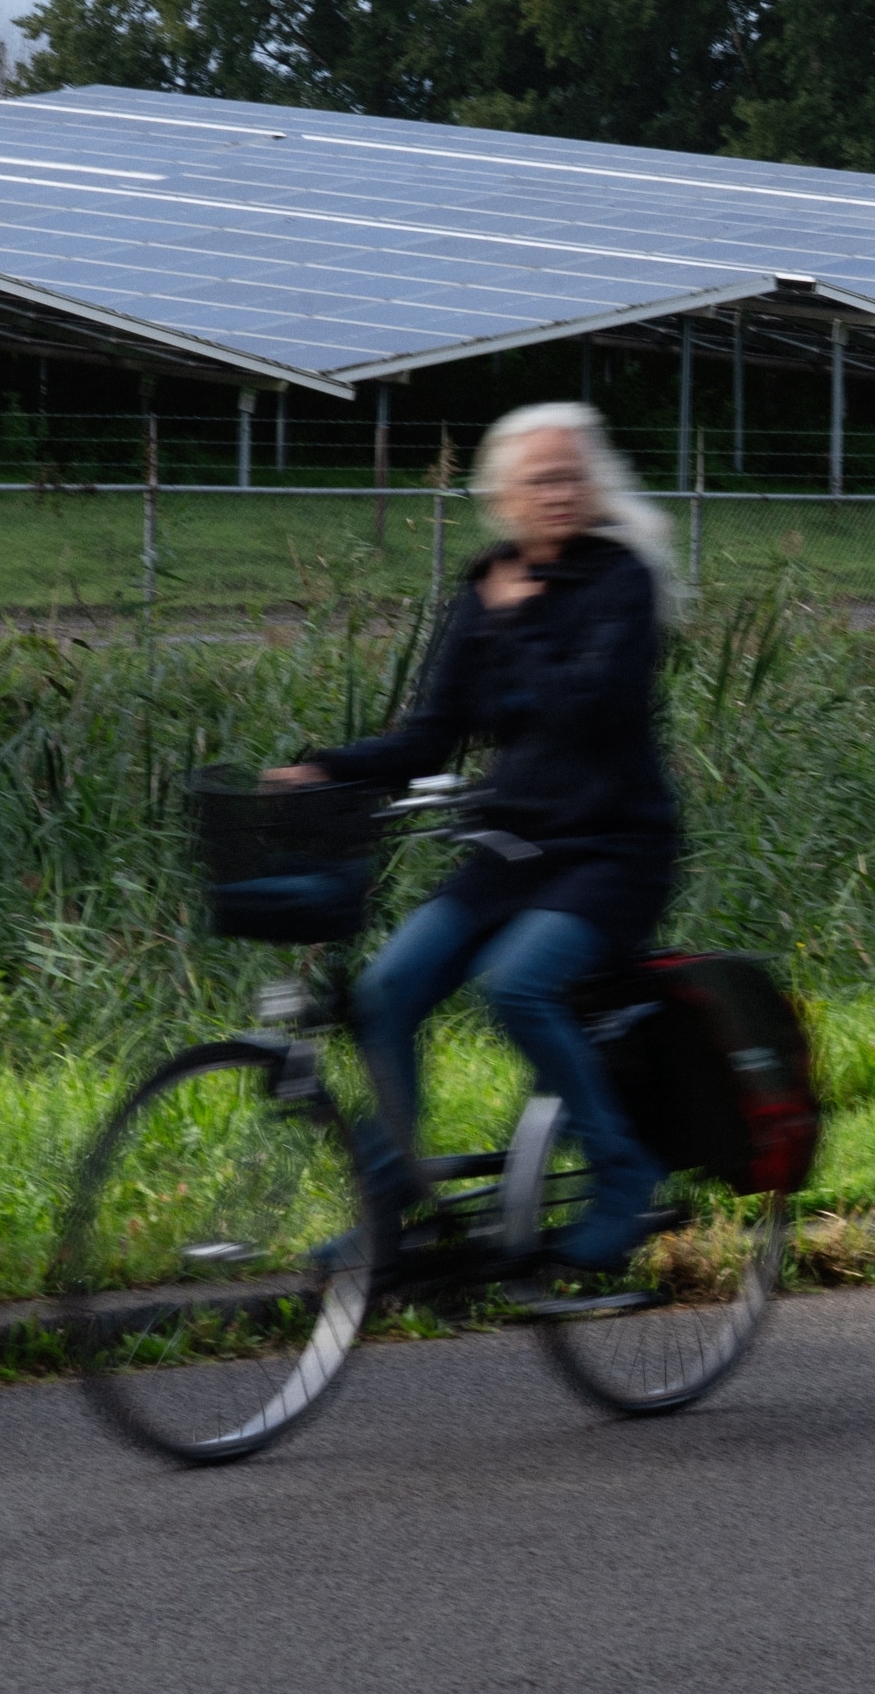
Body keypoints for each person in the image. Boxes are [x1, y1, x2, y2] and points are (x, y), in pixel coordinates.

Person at [268, 402, 685, 1273]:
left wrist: (516, 619)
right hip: (509, 855)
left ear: (594, 484)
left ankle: (625, 1174)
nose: (559, 493)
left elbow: (585, 709)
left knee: (519, 988)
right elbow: (432, 733)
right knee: (384, 993)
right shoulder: (486, 584)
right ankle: (393, 1212)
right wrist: (328, 769)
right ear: (503, 495)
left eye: (571, 476)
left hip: (611, 854)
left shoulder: (622, 582)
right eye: (539, 480)